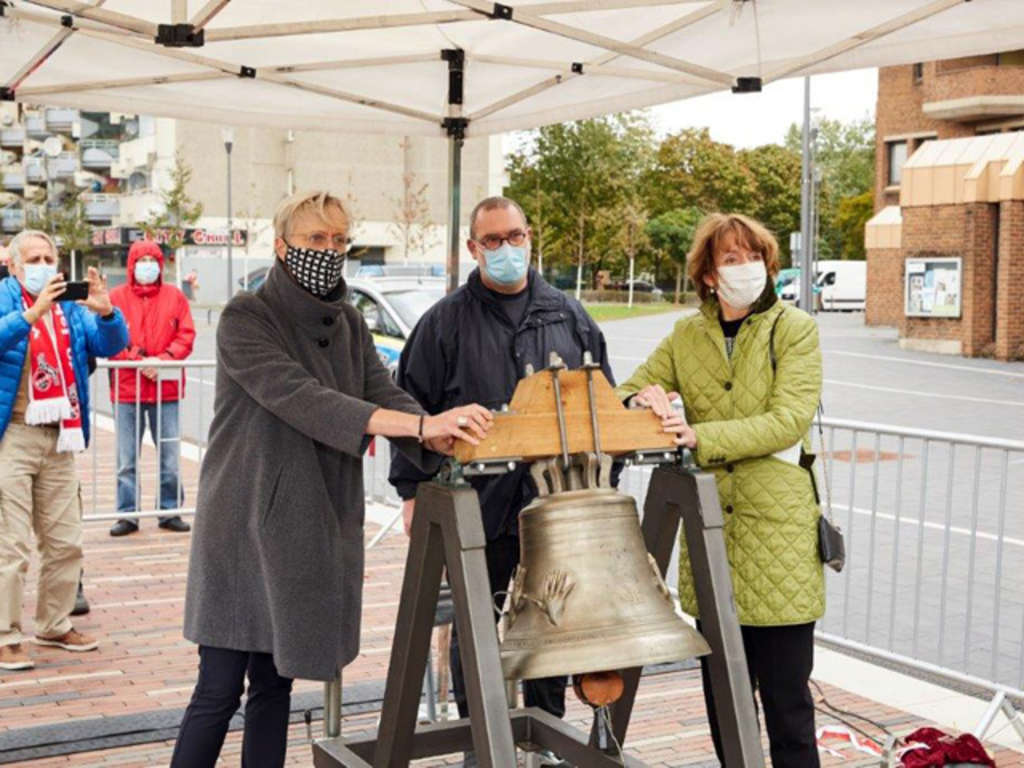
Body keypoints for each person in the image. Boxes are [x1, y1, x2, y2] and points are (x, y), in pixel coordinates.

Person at [172, 190, 492, 768]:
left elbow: (378, 387)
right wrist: (419, 424)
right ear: (282, 246)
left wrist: (433, 434)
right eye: (315, 239)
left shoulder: (347, 320)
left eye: (340, 240)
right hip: (242, 524)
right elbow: (305, 399)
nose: (329, 250)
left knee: (275, 688)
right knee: (218, 689)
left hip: (307, 524)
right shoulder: (247, 317)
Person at [389, 195, 615, 766]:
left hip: (552, 512)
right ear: (473, 248)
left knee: (551, 630)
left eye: (514, 236)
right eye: (492, 241)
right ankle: (479, 744)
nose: (505, 249)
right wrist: (411, 490)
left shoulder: (569, 316)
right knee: (476, 635)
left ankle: (548, 744)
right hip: (477, 513)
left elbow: (603, 405)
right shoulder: (444, 324)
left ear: (530, 236)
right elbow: (408, 408)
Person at [615, 213, 824, 768]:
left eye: (753, 256)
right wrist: (645, 400)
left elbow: (788, 419)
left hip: (778, 538)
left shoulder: (794, 329)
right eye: (731, 259)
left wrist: (698, 434)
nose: (745, 268)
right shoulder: (687, 335)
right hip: (712, 538)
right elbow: (627, 388)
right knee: (724, 706)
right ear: (708, 274)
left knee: (789, 709)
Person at [0, 229, 129, 672]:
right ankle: (5, 634)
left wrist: (107, 312)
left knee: (65, 540)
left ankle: (53, 624)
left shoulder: (70, 306)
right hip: (13, 433)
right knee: (11, 543)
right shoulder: (6, 299)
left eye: (48, 257)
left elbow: (111, 344)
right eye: (32, 259)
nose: (41, 266)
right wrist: (30, 314)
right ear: (13, 266)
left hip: (61, 435)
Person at [107, 240, 196, 536]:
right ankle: (127, 514)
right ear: (132, 265)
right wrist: (139, 361)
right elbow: (111, 336)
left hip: (165, 391)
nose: (148, 264)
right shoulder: (116, 297)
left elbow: (186, 334)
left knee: (170, 455)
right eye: (141, 259)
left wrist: (164, 360)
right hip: (127, 390)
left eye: (152, 259)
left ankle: (169, 511)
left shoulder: (175, 297)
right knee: (126, 458)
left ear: (161, 264)